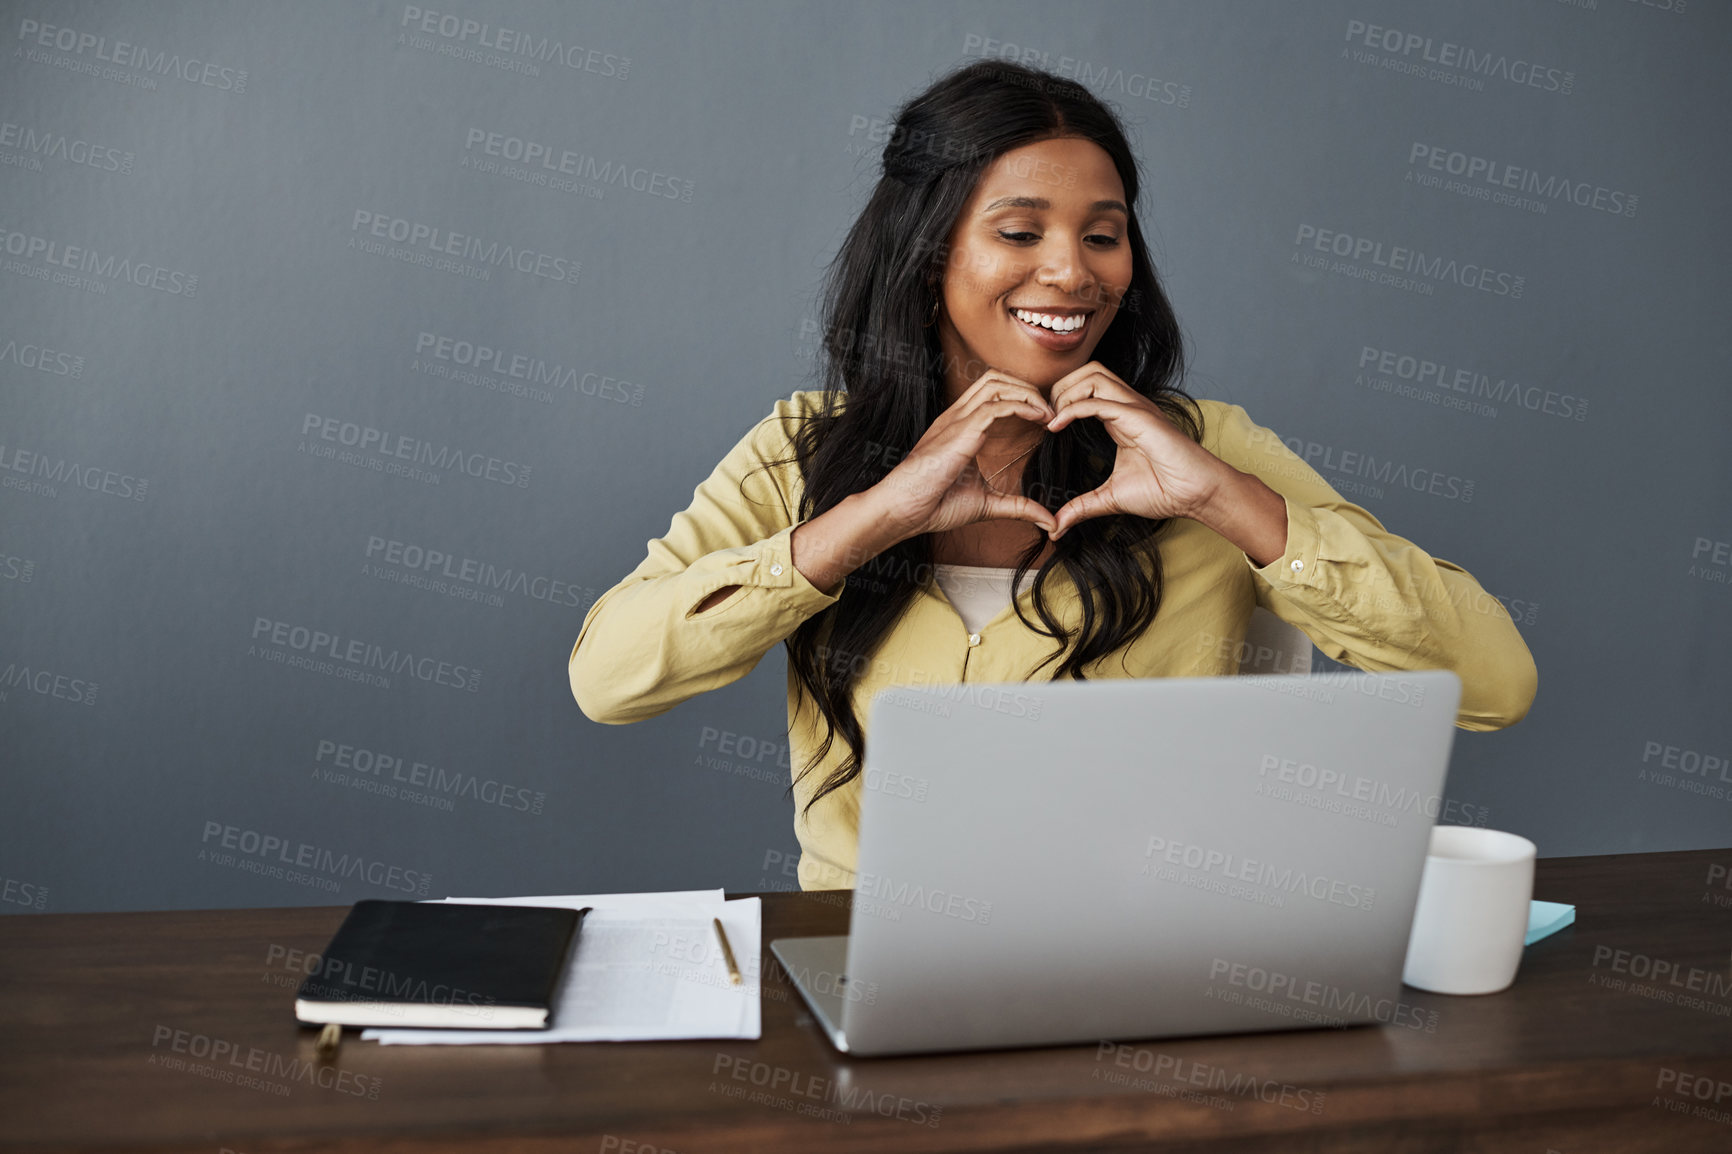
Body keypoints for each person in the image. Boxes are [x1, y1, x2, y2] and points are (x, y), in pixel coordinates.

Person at [568, 59, 1537, 892]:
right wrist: (875, 515)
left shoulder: (1203, 450)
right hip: (866, 966)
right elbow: (608, 678)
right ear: (928, 249)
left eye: (1102, 234)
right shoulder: (804, 448)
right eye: (1021, 232)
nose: (1072, 271)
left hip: (1147, 980)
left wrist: (1220, 499)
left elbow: (1497, 681)